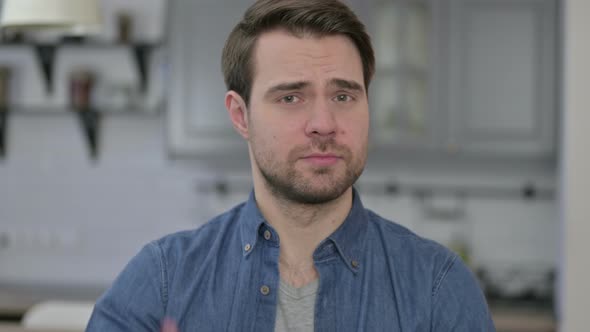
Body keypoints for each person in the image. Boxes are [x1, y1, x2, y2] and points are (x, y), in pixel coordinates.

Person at [86, 0, 496, 331]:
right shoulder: (162, 281)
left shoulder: (436, 285)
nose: (323, 124)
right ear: (241, 116)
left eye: (343, 97)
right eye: (290, 97)